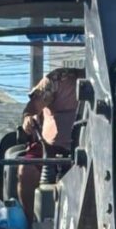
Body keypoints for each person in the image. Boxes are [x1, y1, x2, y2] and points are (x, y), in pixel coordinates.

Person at [19, 67, 84, 219]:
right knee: (27, 170)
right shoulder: (57, 79)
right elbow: (32, 107)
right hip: (49, 149)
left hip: (93, 151)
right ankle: (31, 222)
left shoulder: (106, 84)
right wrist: (28, 117)